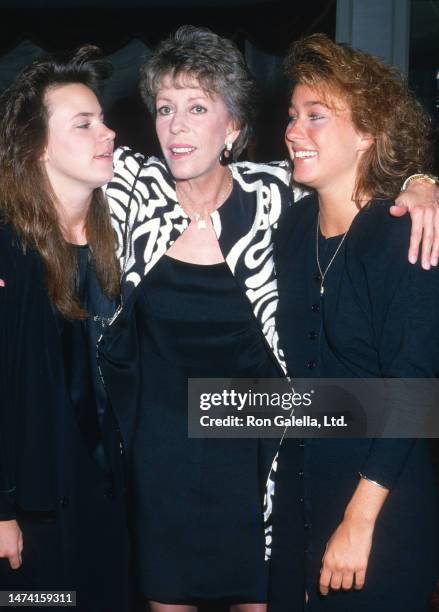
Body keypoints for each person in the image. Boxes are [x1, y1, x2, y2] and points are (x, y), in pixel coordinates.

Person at [99, 26, 439, 612]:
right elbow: (48, 171)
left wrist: (423, 184)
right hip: (169, 456)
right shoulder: (136, 190)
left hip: (267, 455)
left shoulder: (274, 198)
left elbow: (412, 389)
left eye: (198, 107)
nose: (177, 124)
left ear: (233, 127)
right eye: (165, 108)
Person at [269, 34, 439, 611]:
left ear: (368, 133)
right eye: (293, 116)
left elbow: (415, 393)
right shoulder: (290, 230)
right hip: (301, 496)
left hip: (381, 503)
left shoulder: (400, 233)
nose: (294, 131)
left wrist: (359, 521)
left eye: (316, 117)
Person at [0, 47, 130, 611]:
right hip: (35, 513)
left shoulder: (123, 227)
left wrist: (423, 182)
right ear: (39, 147)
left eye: (102, 119)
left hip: (110, 500)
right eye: (85, 123)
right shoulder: (10, 248)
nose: (108, 132)